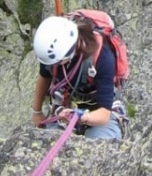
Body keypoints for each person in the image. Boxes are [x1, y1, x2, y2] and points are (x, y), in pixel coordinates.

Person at [31, 13, 124, 142]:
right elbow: (44, 76)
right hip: (67, 106)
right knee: (48, 142)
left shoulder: (103, 57)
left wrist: (80, 117)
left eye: (57, 63)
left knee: (100, 144)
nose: (53, 66)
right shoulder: (53, 55)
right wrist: (37, 112)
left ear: (68, 53)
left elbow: (104, 114)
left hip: (100, 109)